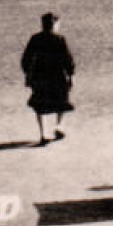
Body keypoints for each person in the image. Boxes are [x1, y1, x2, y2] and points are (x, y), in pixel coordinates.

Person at [21, 12, 75, 146]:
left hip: (40, 76)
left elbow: (26, 59)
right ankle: (59, 126)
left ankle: (43, 133)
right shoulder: (60, 39)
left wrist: (28, 74)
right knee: (62, 101)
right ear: (55, 24)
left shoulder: (35, 39)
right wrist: (71, 75)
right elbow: (68, 59)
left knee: (40, 105)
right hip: (58, 76)